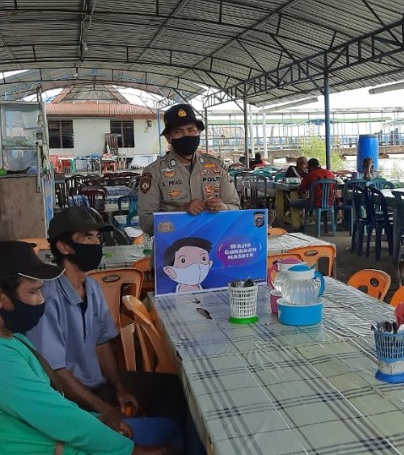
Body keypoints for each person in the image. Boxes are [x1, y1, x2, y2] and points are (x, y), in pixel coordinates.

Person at [27, 208, 187, 437]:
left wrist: (119, 388)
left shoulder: (91, 287)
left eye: (97, 237)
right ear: (63, 247)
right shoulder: (47, 297)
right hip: (68, 396)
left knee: (174, 389)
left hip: (100, 384)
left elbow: (102, 343)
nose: (95, 244)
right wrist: (106, 410)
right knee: (147, 423)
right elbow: (57, 372)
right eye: (87, 237)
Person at [0, 240, 137, 454]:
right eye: (33, 292)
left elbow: (54, 404)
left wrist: (98, 418)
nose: (40, 301)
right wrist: (127, 450)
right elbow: (54, 417)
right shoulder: (4, 361)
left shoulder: (14, 338)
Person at [137, 103, 240, 236]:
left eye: (191, 130)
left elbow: (236, 209)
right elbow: (146, 224)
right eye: (178, 132)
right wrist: (181, 210)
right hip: (171, 248)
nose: (186, 135)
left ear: (199, 132)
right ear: (169, 138)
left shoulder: (217, 166)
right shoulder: (153, 172)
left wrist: (222, 208)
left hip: (213, 246)